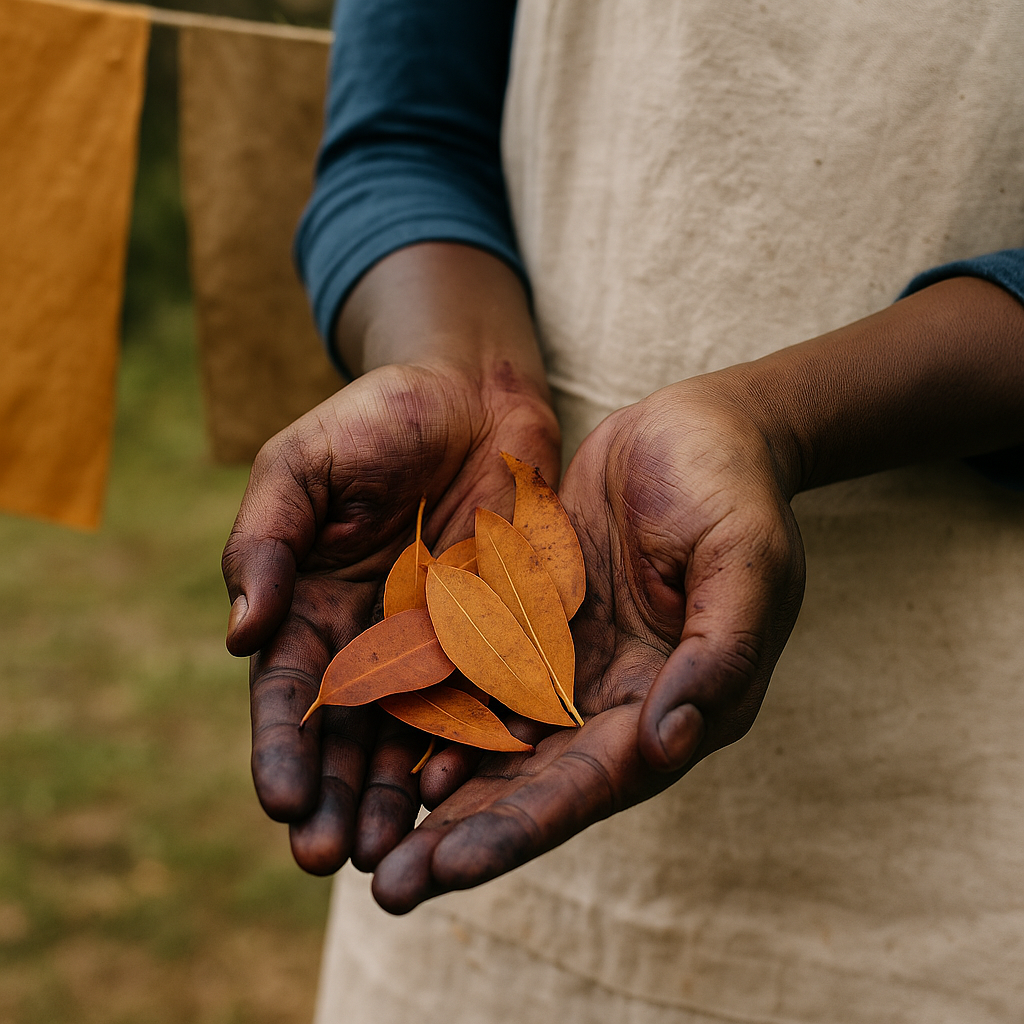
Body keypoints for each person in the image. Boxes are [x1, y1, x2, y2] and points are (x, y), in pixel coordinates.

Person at [222, 1, 1024, 1021]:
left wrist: (781, 423)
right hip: (484, 889)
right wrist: (463, 370)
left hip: (971, 821)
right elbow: (403, 139)